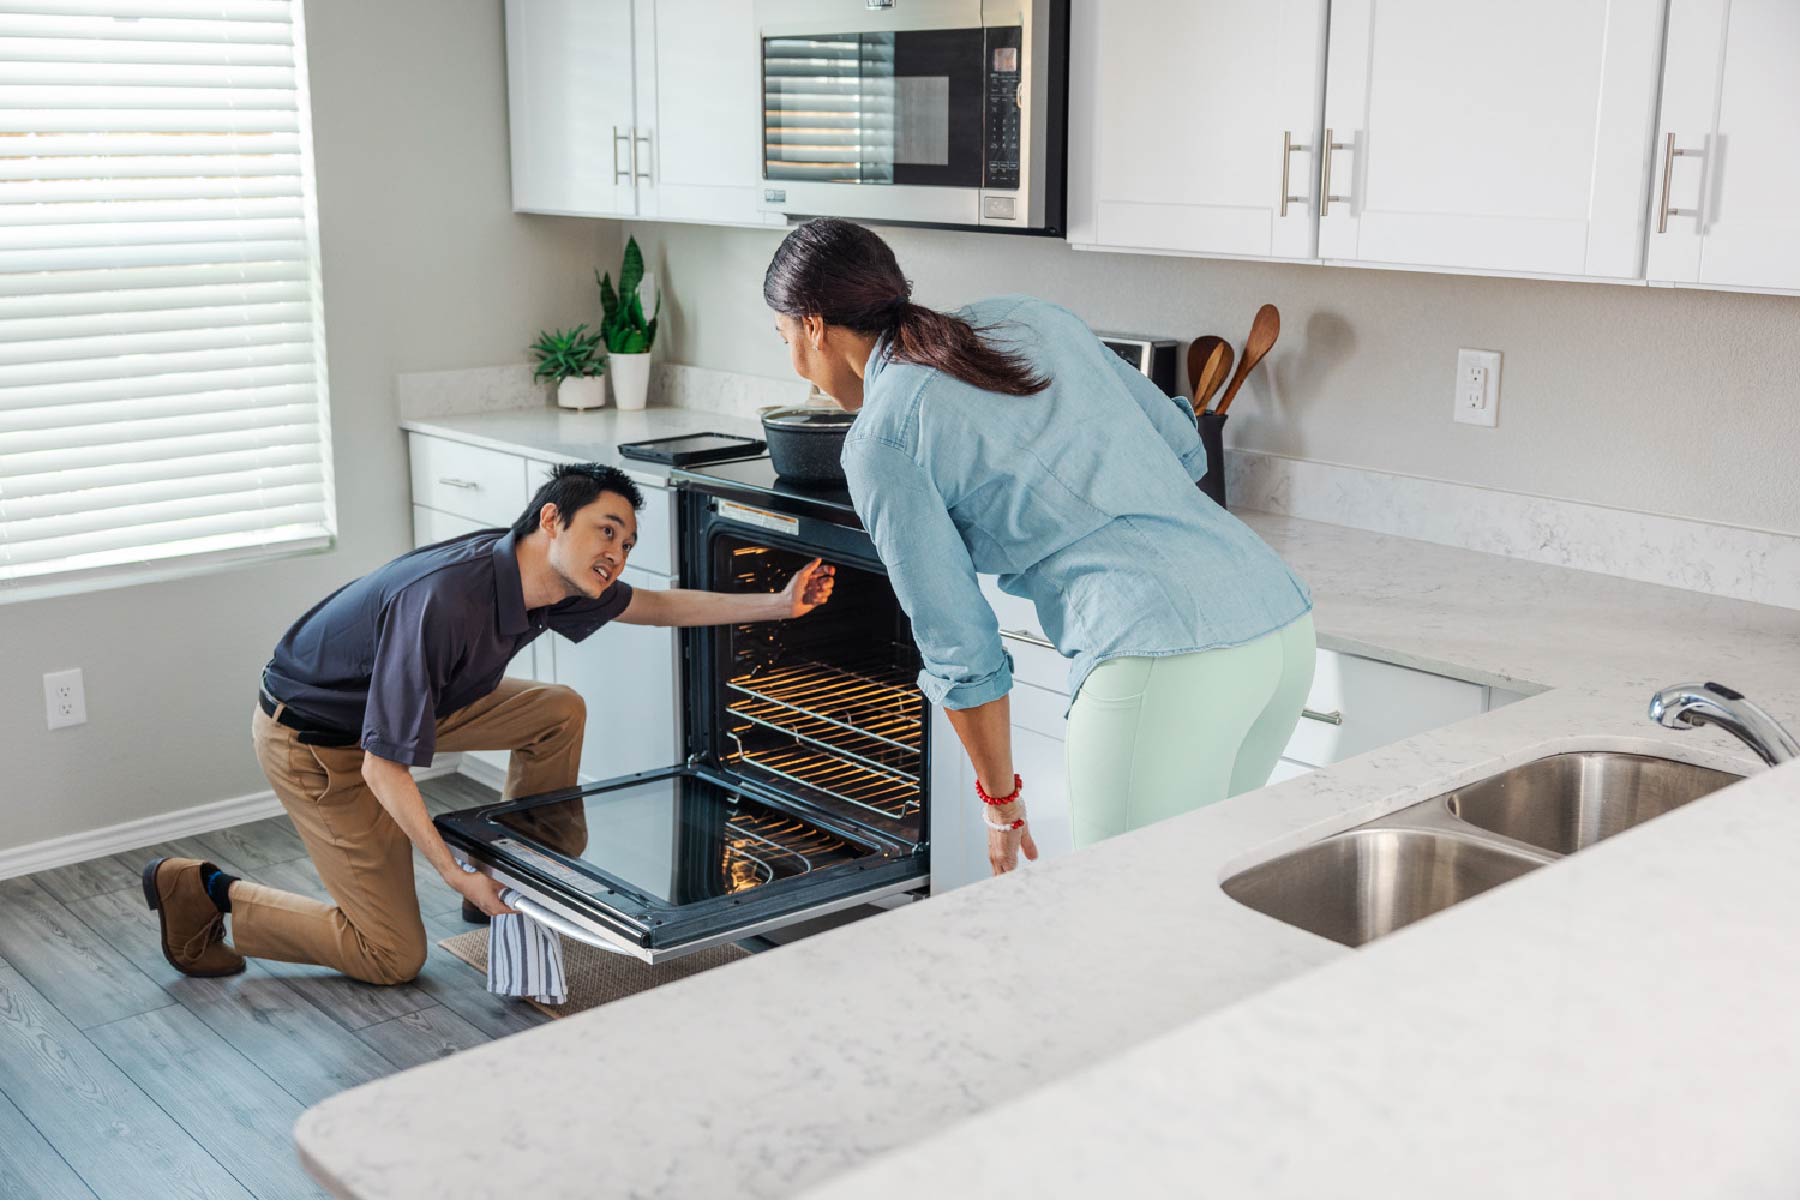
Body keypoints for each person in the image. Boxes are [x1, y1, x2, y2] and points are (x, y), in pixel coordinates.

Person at [764, 218, 1314, 877]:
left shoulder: (882, 437)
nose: (793, 357)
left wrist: (1000, 802)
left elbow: (961, 651)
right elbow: (1182, 442)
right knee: (1200, 913)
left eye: (784, 336)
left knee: (1120, 933)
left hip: (1161, 655)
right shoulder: (1025, 315)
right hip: (1277, 627)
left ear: (815, 325)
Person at [142, 463, 835, 984]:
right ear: (553, 521)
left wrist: (777, 604)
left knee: (555, 710)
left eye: (626, 543)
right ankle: (205, 892)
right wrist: (450, 872)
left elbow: (653, 604)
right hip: (318, 741)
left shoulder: (554, 583)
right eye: (607, 529)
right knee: (390, 954)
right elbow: (385, 763)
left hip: (407, 705)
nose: (617, 554)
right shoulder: (448, 600)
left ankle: (519, 876)